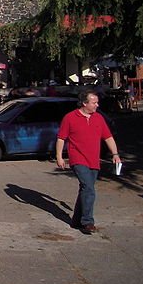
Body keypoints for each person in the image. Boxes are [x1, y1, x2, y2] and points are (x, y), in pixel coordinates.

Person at [56, 91, 121, 235]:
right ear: (84, 103)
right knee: (89, 188)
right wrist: (59, 157)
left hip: (94, 160)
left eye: (97, 102)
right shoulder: (70, 117)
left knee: (85, 189)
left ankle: (76, 220)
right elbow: (61, 138)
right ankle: (87, 222)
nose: (97, 105)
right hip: (77, 158)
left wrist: (115, 154)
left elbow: (108, 137)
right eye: (94, 103)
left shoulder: (98, 118)